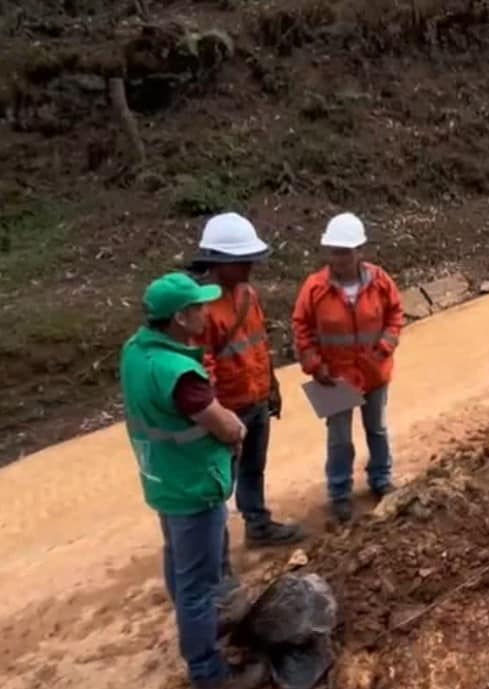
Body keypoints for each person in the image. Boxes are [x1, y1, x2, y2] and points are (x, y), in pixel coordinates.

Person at [120, 273, 267, 689]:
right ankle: (209, 671)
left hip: (163, 477)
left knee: (180, 565)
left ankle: (194, 621)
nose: (206, 312)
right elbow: (223, 426)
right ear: (181, 318)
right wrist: (237, 431)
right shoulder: (181, 375)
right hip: (194, 484)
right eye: (199, 307)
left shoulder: (136, 352)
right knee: (199, 586)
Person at [192, 213, 304, 548]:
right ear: (217, 262)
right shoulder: (202, 308)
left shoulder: (248, 295)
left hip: (255, 397)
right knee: (219, 480)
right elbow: (202, 366)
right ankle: (216, 547)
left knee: (254, 467)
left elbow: (259, 343)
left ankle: (257, 523)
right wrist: (215, 414)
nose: (249, 267)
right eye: (241, 262)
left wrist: (272, 385)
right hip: (228, 408)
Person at [292, 213, 405, 522]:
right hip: (333, 376)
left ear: (360, 251)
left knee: (377, 428)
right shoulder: (315, 287)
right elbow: (301, 327)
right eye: (334, 251)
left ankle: (381, 479)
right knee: (339, 437)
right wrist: (314, 364)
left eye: (345, 251)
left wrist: (385, 346)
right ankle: (339, 492)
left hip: (373, 371)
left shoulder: (380, 281)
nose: (338, 258)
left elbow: (396, 314)